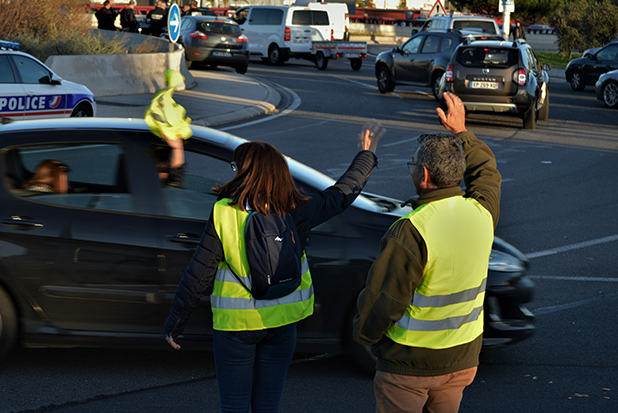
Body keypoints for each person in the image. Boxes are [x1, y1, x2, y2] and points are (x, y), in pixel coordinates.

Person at [164, 121, 385, 412]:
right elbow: (342, 194)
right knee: (268, 405)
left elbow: (199, 273)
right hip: (283, 321)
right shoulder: (297, 209)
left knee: (235, 405)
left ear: (245, 173)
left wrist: (175, 324)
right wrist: (365, 155)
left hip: (237, 325)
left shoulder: (225, 212)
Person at [353, 92, 502, 413]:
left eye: (413, 166)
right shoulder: (481, 214)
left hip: (409, 364)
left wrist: (365, 337)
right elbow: (487, 173)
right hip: (461, 360)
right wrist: (462, 132)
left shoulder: (411, 230)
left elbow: (384, 301)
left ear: (423, 175)